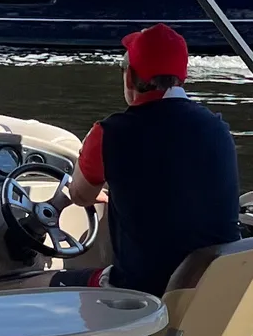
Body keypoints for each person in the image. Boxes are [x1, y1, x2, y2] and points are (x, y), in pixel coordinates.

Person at [63, 24, 242, 296]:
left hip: (140, 294)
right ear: (182, 77)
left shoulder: (109, 133)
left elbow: (80, 195)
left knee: (31, 285)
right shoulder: (217, 127)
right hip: (211, 288)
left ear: (130, 77)